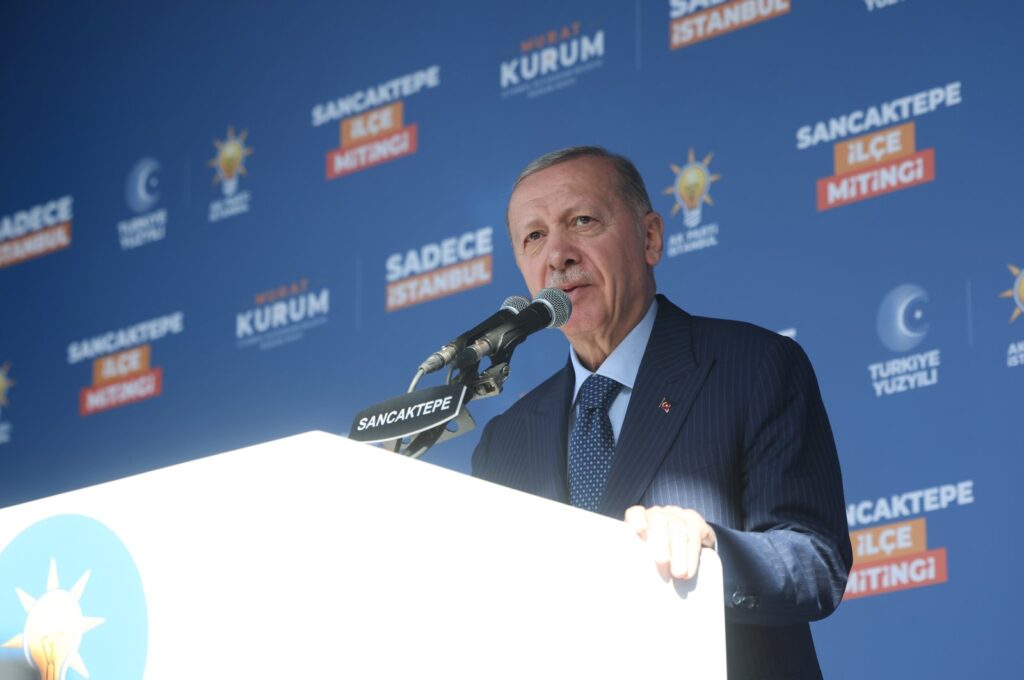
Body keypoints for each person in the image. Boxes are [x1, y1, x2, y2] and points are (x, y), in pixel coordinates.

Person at [472, 146, 853, 680]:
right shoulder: (504, 441)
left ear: (649, 238)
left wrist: (711, 549)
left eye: (581, 221)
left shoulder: (755, 366)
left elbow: (815, 564)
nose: (557, 254)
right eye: (534, 236)